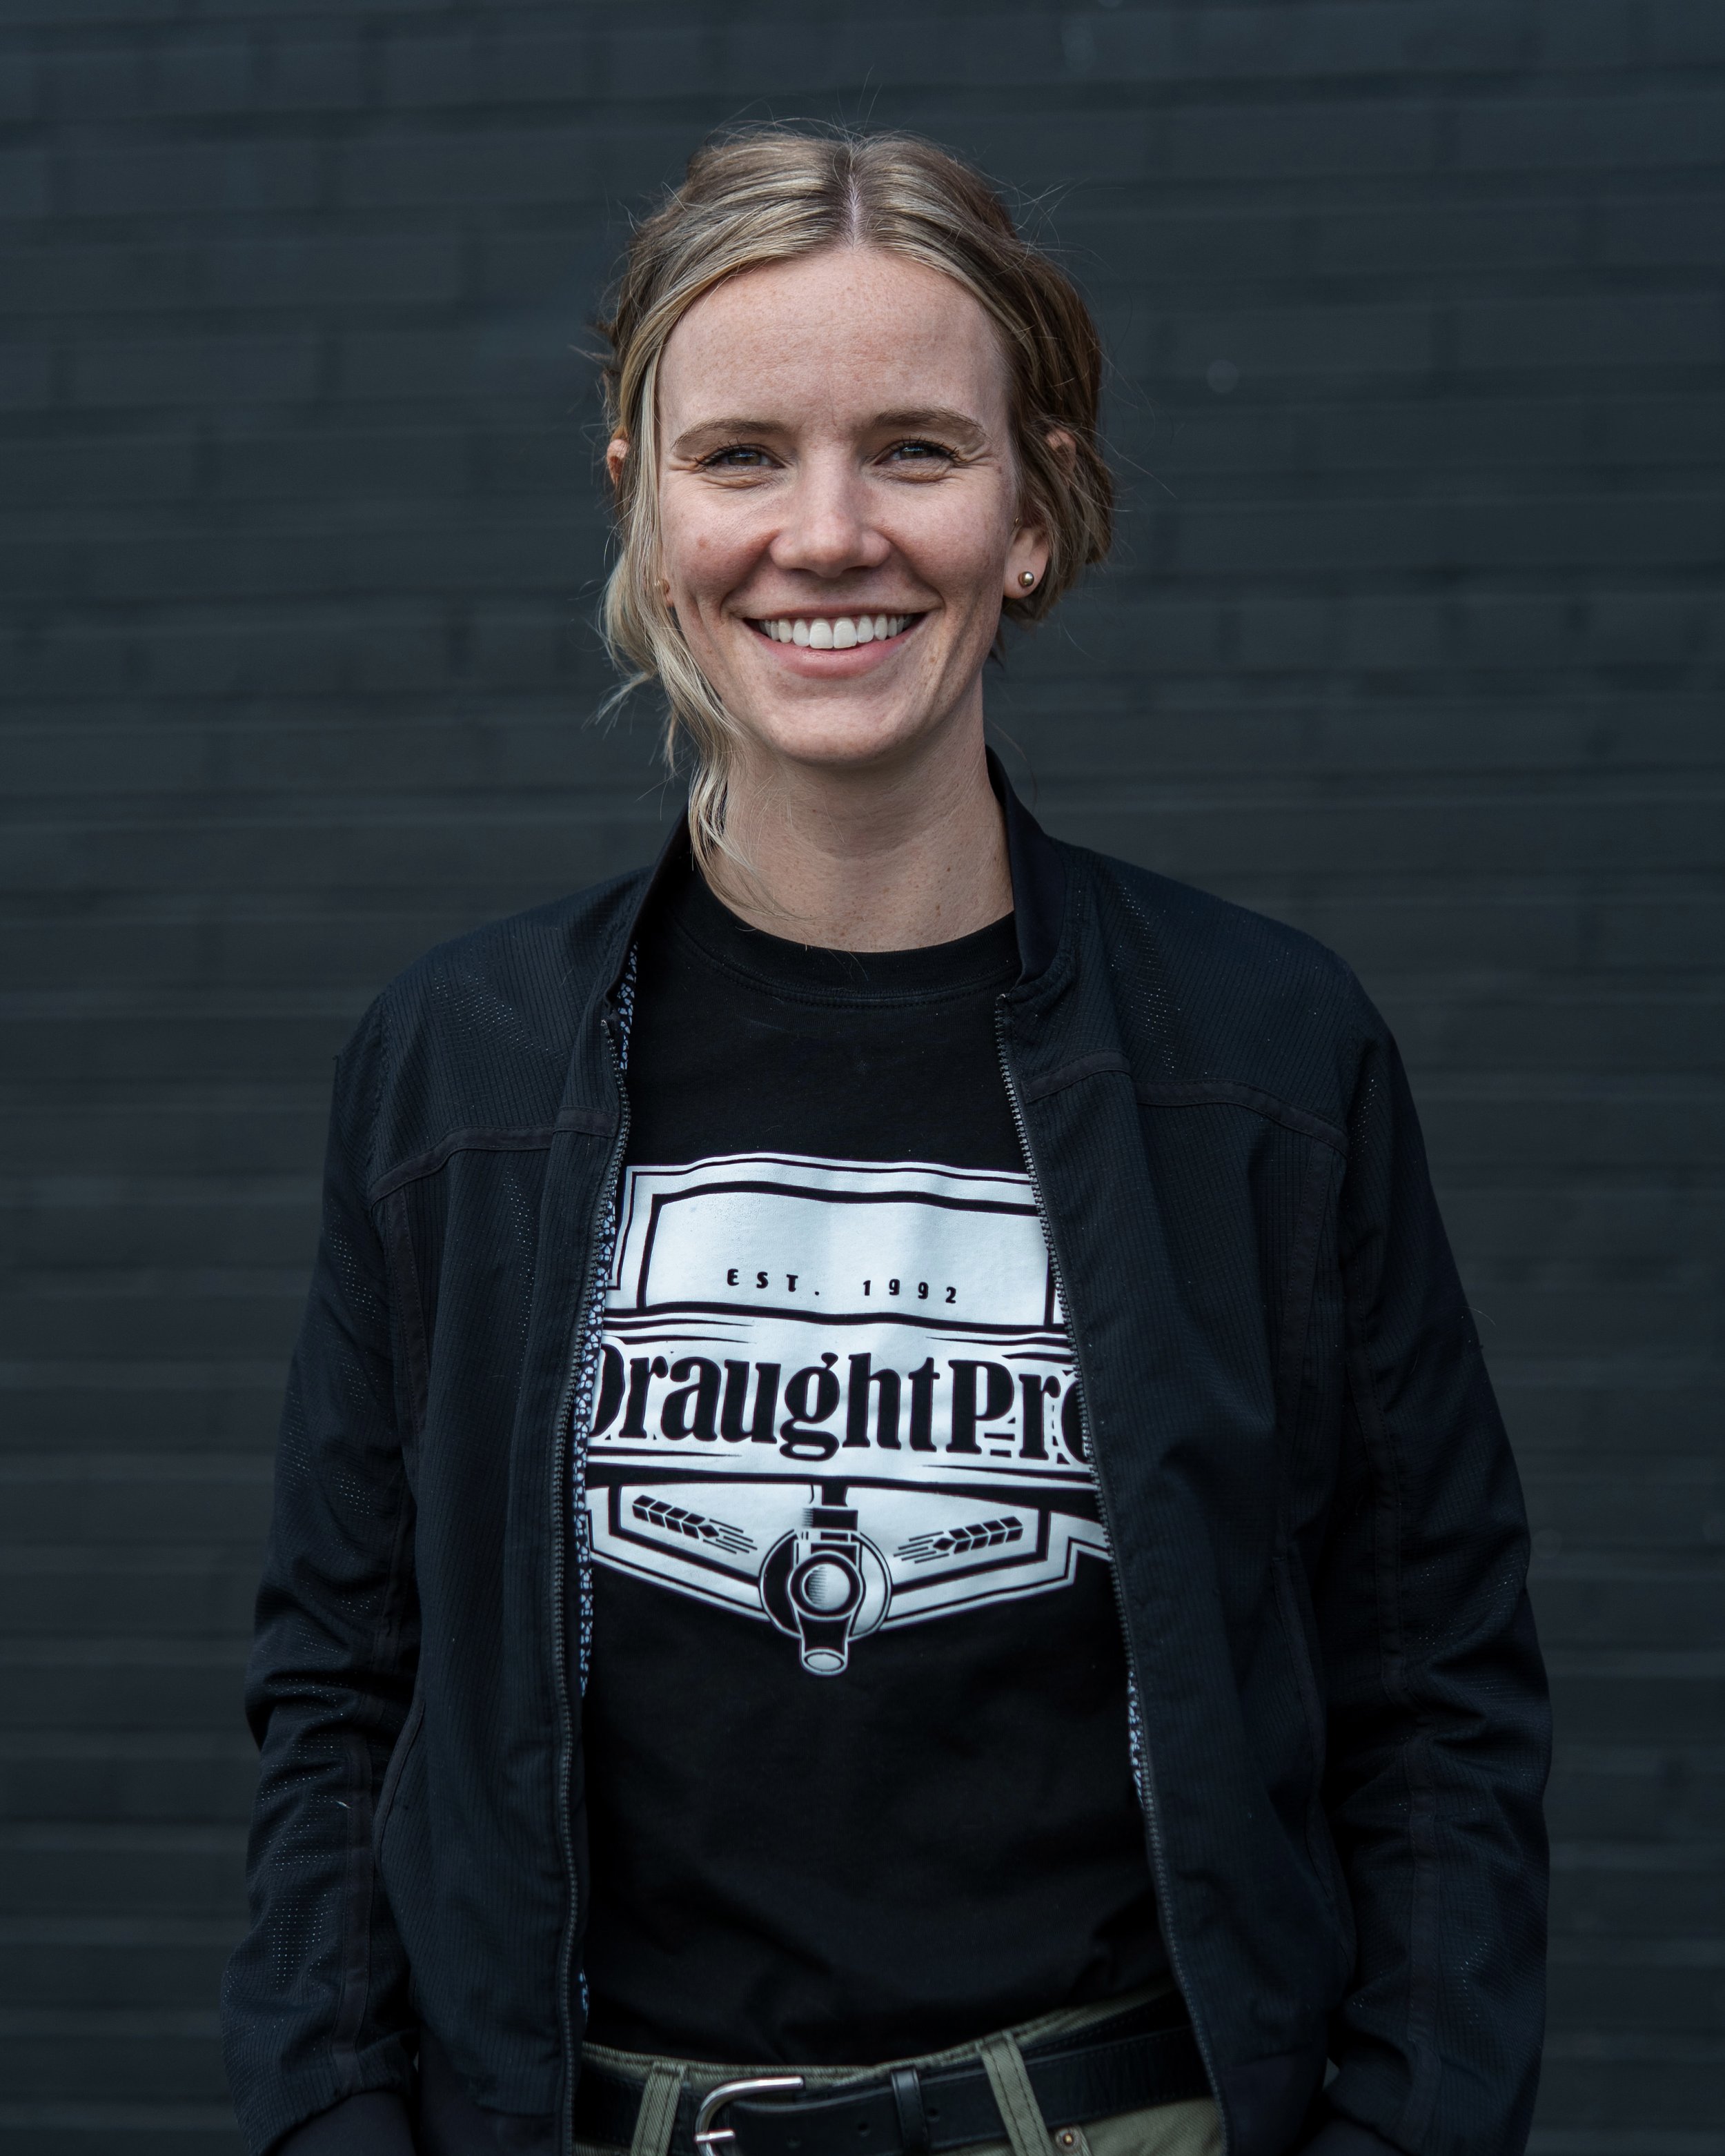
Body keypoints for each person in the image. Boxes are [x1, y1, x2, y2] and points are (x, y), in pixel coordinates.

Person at [221, 128, 1550, 2156]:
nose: (826, 535)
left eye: (916, 452)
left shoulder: (1266, 1059)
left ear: (1033, 508)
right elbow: (339, 1691)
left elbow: (1434, 1692)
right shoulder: (455, 1069)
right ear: (644, 502)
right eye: (741, 456)